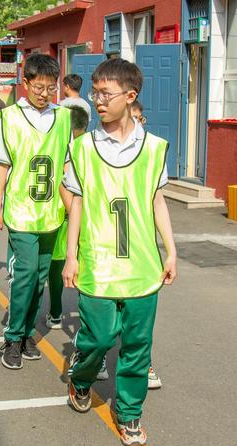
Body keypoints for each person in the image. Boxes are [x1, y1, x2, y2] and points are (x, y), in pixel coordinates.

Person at [62, 58, 176, 446]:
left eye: (105, 94)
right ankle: (80, 378)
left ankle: (129, 413)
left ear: (130, 96)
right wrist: (72, 254)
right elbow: (75, 202)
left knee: (137, 347)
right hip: (97, 264)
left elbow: (158, 201)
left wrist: (170, 252)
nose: (98, 101)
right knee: (99, 337)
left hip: (143, 266)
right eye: (95, 93)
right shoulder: (82, 148)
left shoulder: (155, 148)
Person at [0, 53, 72, 370]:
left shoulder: (63, 118)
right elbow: (2, 164)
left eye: (50, 88)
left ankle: (26, 334)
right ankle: (12, 337)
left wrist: (72, 207)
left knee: (40, 278)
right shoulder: (10, 117)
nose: (44, 93)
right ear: (25, 83)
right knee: (23, 276)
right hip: (21, 210)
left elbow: (66, 164)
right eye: (38, 87)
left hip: (51, 212)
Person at [97, 99, 163, 389]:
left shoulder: (150, 151)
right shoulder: (93, 151)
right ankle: (93, 356)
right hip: (103, 250)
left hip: (137, 251)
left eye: (140, 119)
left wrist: (169, 251)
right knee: (101, 331)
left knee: (137, 327)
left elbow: (157, 201)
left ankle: (141, 368)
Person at [45, 105, 89, 330]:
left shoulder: (61, 146)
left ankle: (54, 312)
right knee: (84, 263)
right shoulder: (91, 146)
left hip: (63, 213)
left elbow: (62, 181)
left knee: (57, 262)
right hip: (86, 215)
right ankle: (87, 318)